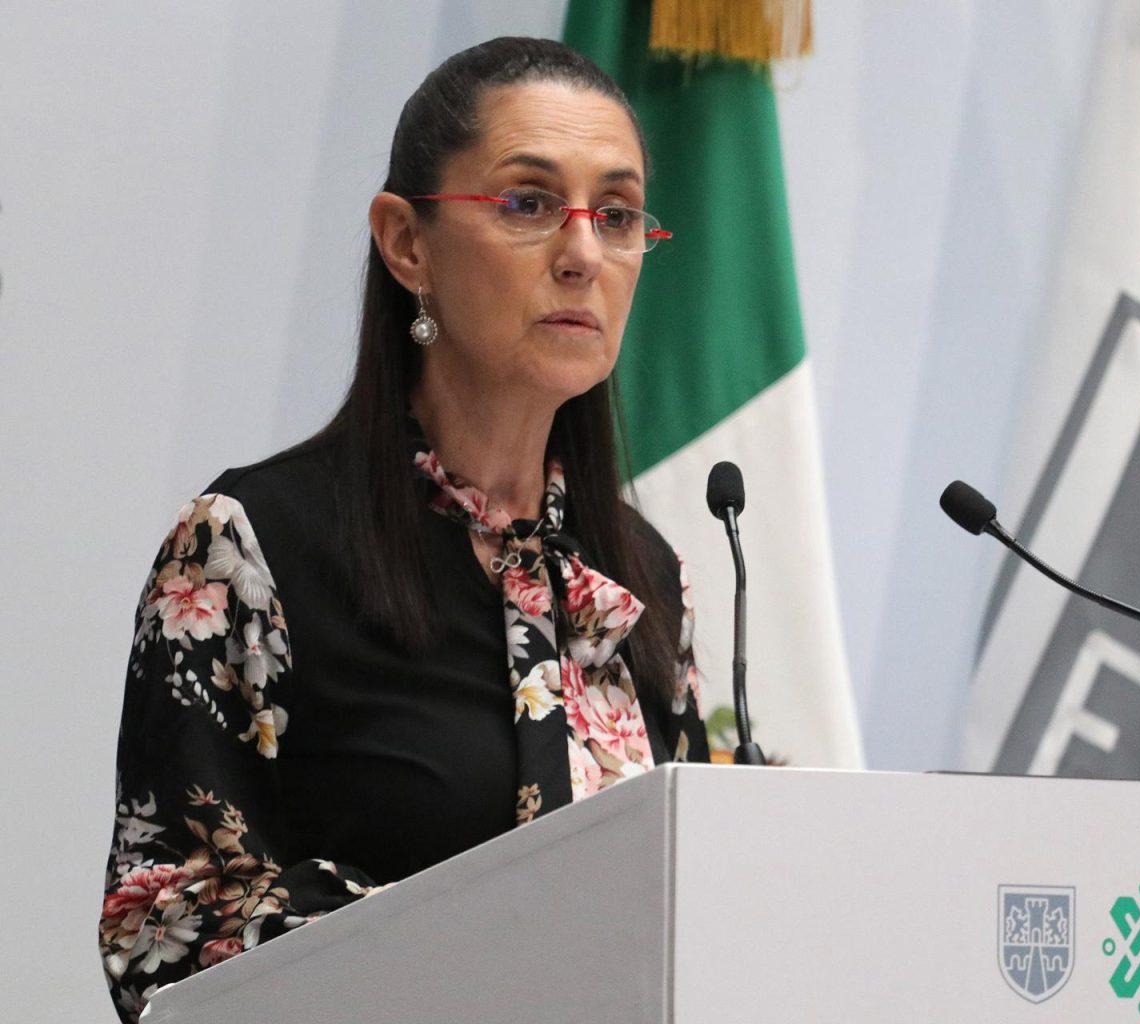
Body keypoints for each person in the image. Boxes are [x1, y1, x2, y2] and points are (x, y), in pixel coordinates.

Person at [97, 37, 709, 1022]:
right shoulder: (252, 547)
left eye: (620, 214)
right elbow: (164, 941)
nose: (584, 252)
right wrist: (488, 953)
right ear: (406, 242)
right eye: (528, 203)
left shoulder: (640, 573)